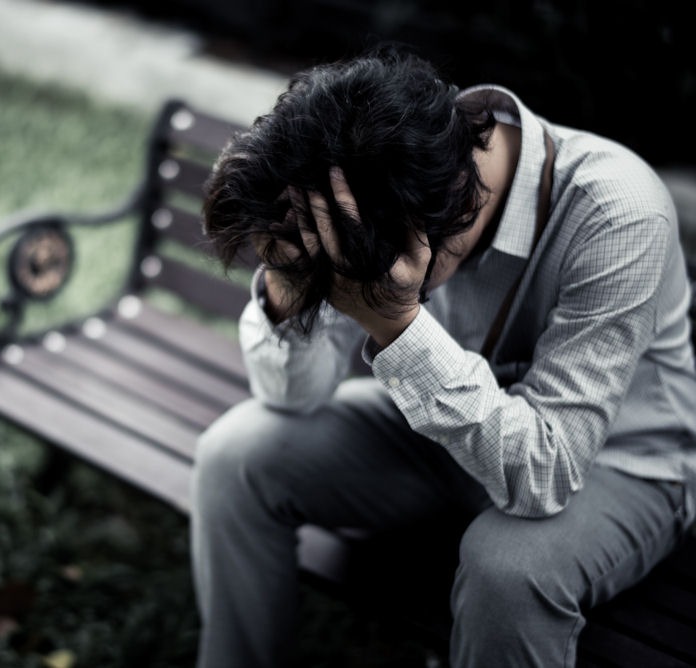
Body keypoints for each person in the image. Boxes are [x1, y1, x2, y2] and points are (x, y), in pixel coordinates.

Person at [191, 45, 696, 667]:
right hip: (453, 443)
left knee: (506, 569)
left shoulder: (619, 211)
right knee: (234, 455)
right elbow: (292, 397)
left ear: (445, 215)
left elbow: (546, 473)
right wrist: (288, 286)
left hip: (620, 464)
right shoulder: (382, 168)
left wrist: (397, 324)